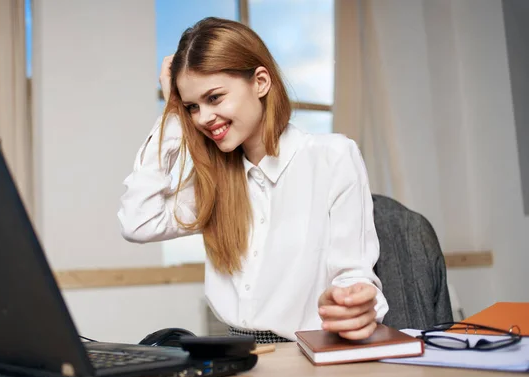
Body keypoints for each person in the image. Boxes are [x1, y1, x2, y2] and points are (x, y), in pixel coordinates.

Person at [118, 17, 388, 343]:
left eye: (214, 98)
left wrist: (350, 303)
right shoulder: (213, 177)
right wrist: (173, 115)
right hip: (237, 359)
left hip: (309, 357)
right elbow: (138, 222)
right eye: (192, 106)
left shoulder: (333, 157)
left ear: (260, 82)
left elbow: (353, 273)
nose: (202, 118)